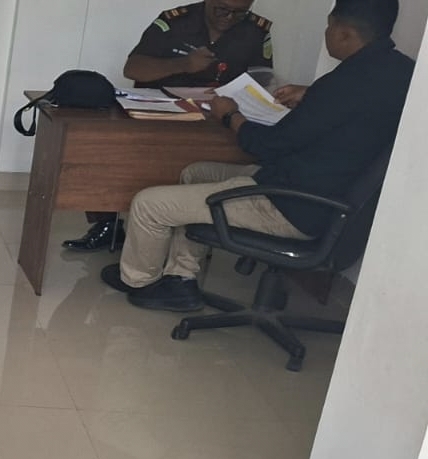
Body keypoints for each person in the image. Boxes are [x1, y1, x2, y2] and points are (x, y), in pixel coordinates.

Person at [101, 0, 412, 312]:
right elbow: (354, 107)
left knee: (148, 204)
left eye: (329, 26)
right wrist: (311, 94)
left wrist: (230, 115)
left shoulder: (341, 84)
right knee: (195, 172)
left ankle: (140, 281)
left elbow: (267, 145)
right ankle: (180, 278)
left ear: (344, 33)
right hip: (315, 193)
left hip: (288, 203)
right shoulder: (403, 73)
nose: (326, 33)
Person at [65, 0, 274, 253]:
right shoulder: (174, 21)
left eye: (239, 13)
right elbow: (133, 68)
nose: (229, 17)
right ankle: (108, 225)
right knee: (111, 154)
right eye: (222, 9)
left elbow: (262, 80)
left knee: (222, 162)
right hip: (162, 118)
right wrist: (182, 64)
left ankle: (194, 236)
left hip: (215, 125)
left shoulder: (256, 31)